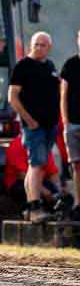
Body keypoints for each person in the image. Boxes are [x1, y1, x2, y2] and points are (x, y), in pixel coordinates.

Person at [9, 31, 60, 222]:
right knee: (36, 165)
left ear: (49, 47)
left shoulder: (50, 66)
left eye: (42, 45)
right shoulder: (23, 66)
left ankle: (34, 206)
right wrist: (28, 120)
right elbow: (12, 96)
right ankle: (33, 205)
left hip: (50, 125)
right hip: (34, 126)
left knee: (40, 165)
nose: (38, 48)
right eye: (36, 44)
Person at [60, 30, 80, 221]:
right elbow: (63, 94)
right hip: (73, 123)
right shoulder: (70, 64)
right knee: (76, 166)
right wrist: (66, 120)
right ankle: (78, 203)